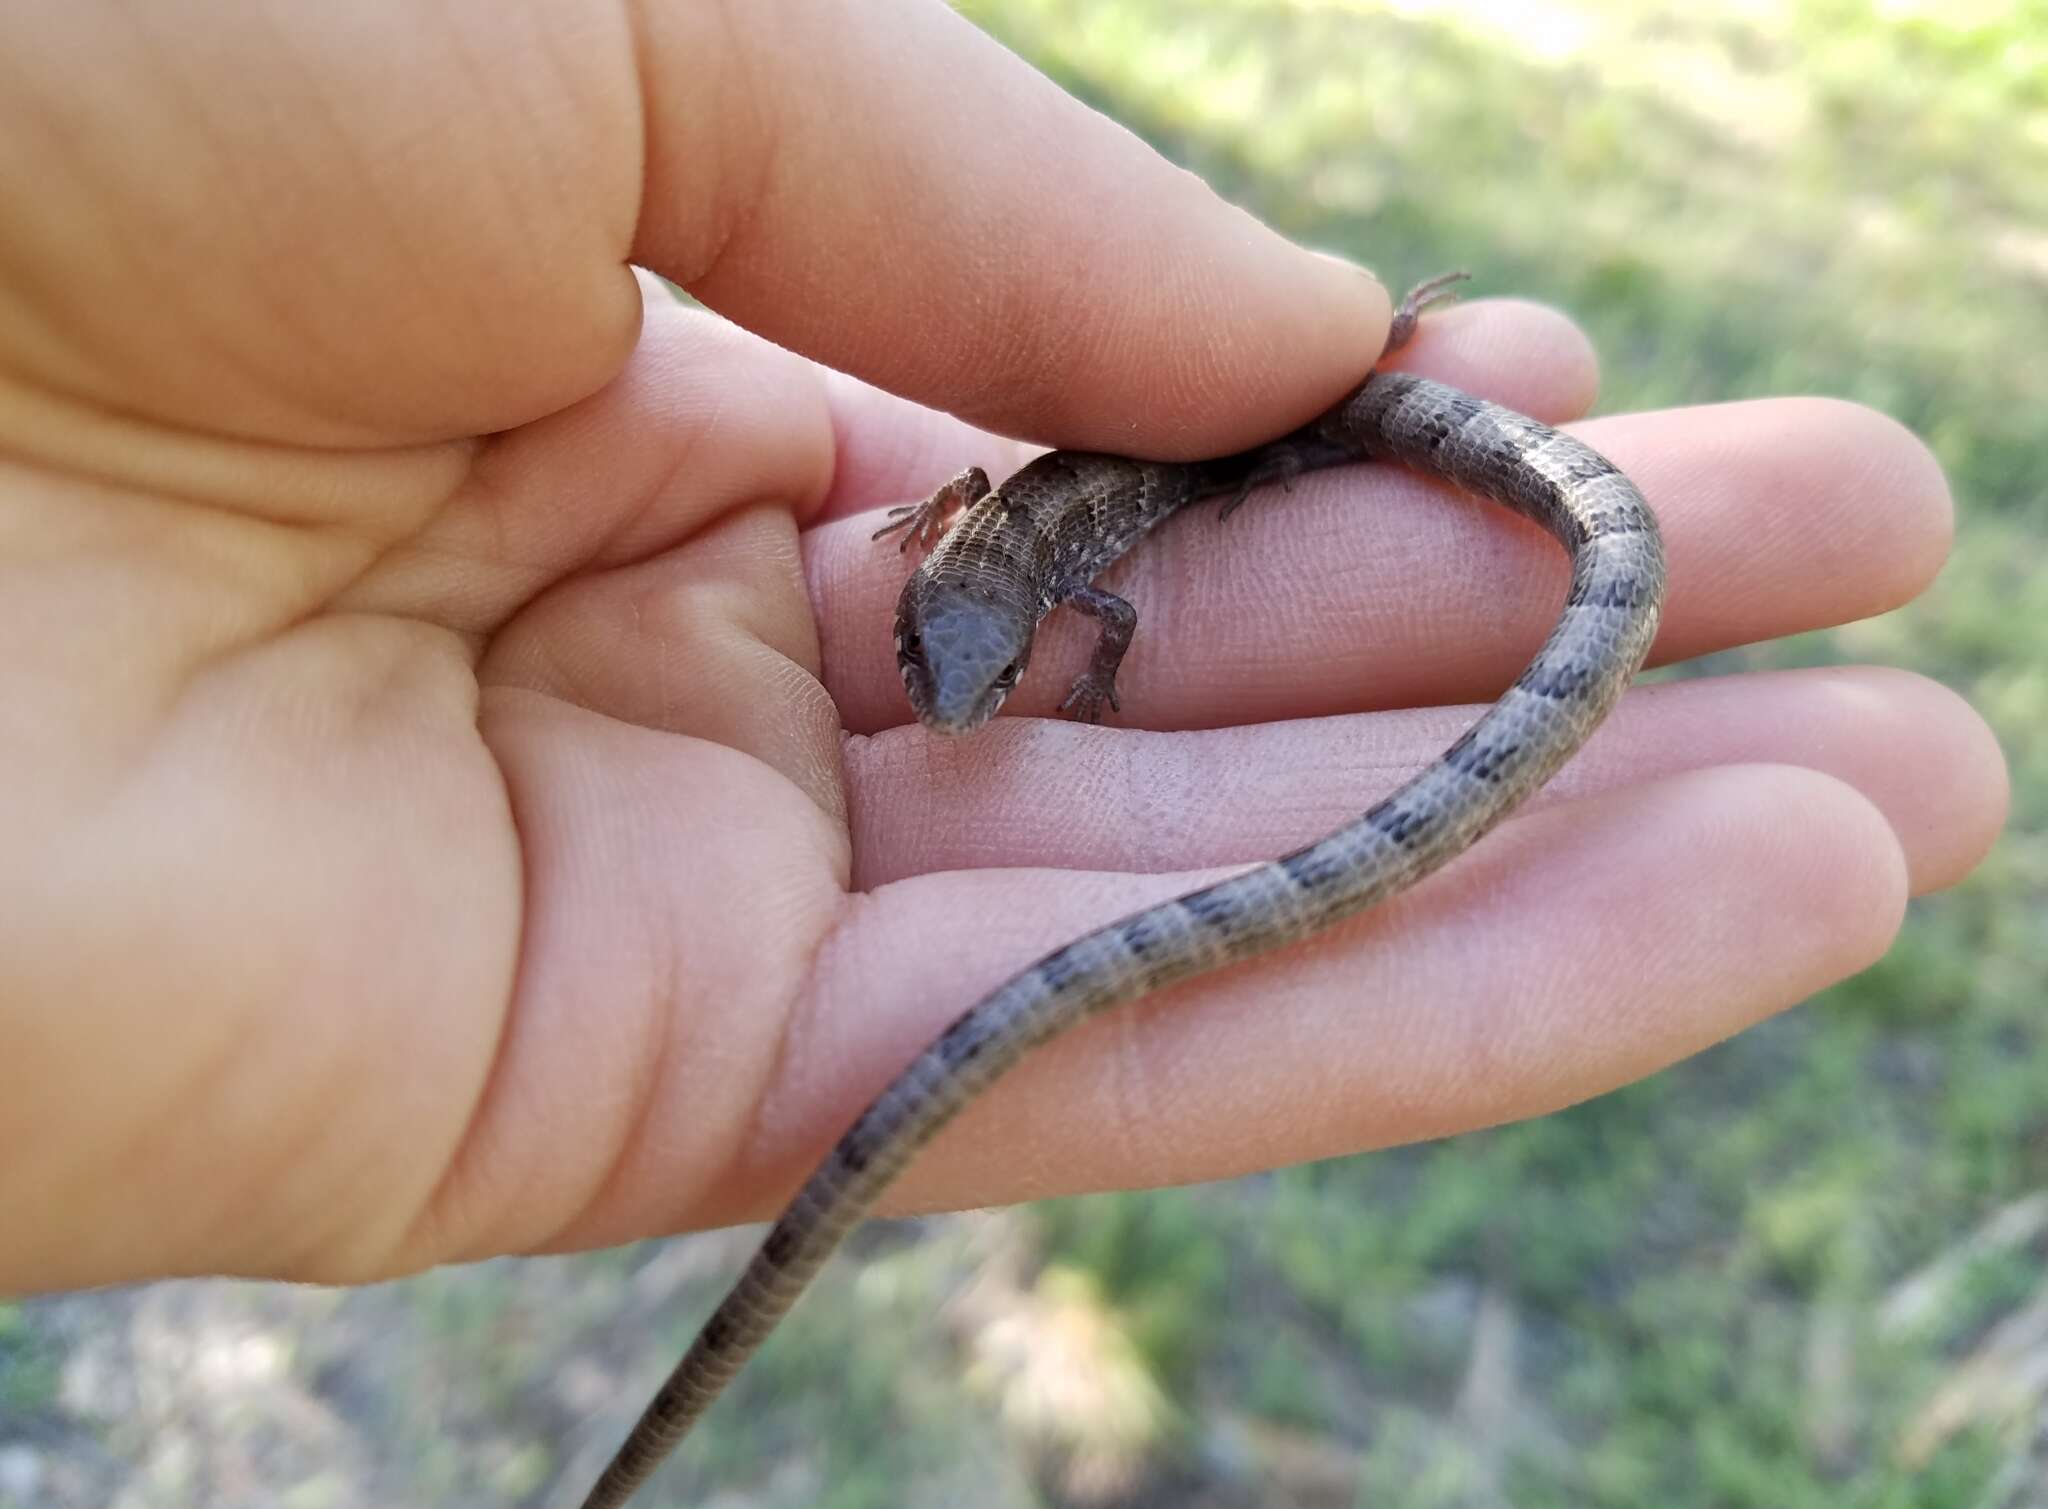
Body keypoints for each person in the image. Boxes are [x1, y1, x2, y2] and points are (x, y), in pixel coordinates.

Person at [0, 1, 2006, 1296]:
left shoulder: (1019, 579)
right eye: (963, 676)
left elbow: (1087, 566)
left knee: (1333, 413)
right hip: (1177, 475)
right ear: (944, 614)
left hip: (1254, 440)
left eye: (971, 677)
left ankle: (1359, 373)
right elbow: (1027, 553)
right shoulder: (979, 570)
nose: (961, 706)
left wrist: (1289, 415)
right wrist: (1067, 640)